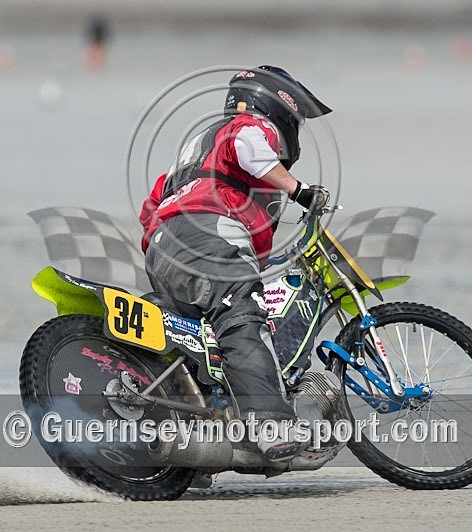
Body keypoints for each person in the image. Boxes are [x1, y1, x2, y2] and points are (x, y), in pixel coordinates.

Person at [139, 66, 332, 461]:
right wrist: (300, 191)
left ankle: (204, 434)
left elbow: (151, 208)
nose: (295, 129)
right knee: (242, 315)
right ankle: (270, 425)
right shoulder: (249, 126)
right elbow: (249, 146)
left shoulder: (192, 153)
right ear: (279, 105)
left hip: (163, 250)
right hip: (208, 238)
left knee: (204, 341)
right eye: (296, 119)